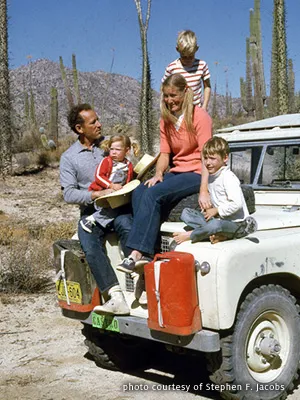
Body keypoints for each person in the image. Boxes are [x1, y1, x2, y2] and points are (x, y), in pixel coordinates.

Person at [117, 73, 213, 275]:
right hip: (177, 170)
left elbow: (207, 156)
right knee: (141, 190)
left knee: (154, 195)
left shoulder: (200, 117)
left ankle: (137, 252)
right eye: (166, 96)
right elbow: (165, 153)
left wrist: (204, 189)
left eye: (173, 95)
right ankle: (145, 252)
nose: (170, 101)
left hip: (197, 172)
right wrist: (158, 173)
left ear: (185, 92)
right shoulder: (166, 120)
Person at [60, 103, 132, 315]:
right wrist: (96, 195)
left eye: (98, 119)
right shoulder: (69, 157)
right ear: (79, 128)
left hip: (119, 209)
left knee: (128, 225)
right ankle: (115, 295)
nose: (99, 124)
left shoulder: (110, 146)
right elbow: (69, 193)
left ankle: (138, 283)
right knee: (88, 240)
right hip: (92, 212)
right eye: (93, 122)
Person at [173, 137, 258, 245]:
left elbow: (237, 204)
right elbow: (218, 198)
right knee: (186, 213)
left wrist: (216, 210)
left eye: (212, 158)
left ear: (225, 158)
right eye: (206, 158)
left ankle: (192, 235)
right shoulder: (212, 177)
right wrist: (209, 210)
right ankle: (219, 235)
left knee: (215, 226)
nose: (208, 163)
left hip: (236, 224)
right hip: (219, 219)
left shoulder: (228, 177)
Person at [80, 134, 138, 234]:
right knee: (113, 210)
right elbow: (98, 176)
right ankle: (90, 220)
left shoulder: (128, 165)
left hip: (116, 195)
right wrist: (111, 185)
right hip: (103, 194)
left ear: (127, 151)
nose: (114, 152)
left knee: (121, 209)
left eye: (118, 149)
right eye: (112, 149)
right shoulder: (106, 161)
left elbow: (128, 181)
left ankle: (109, 226)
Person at [162, 30, 211, 110]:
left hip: (196, 110)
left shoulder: (202, 65)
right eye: (184, 56)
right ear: (177, 49)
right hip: (178, 111)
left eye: (191, 56)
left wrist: (204, 105)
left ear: (197, 49)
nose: (188, 59)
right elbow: (164, 88)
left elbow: (207, 86)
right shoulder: (172, 68)